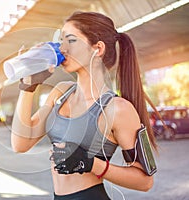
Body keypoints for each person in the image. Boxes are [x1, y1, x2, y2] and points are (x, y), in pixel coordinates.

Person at [11, 11, 157, 199]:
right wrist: (28, 87)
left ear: (98, 49)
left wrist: (90, 163)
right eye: (61, 40)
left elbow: (145, 181)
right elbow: (20, 144)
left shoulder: (117, 109)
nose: (62, 48)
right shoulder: (61, 92)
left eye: (71, 40)